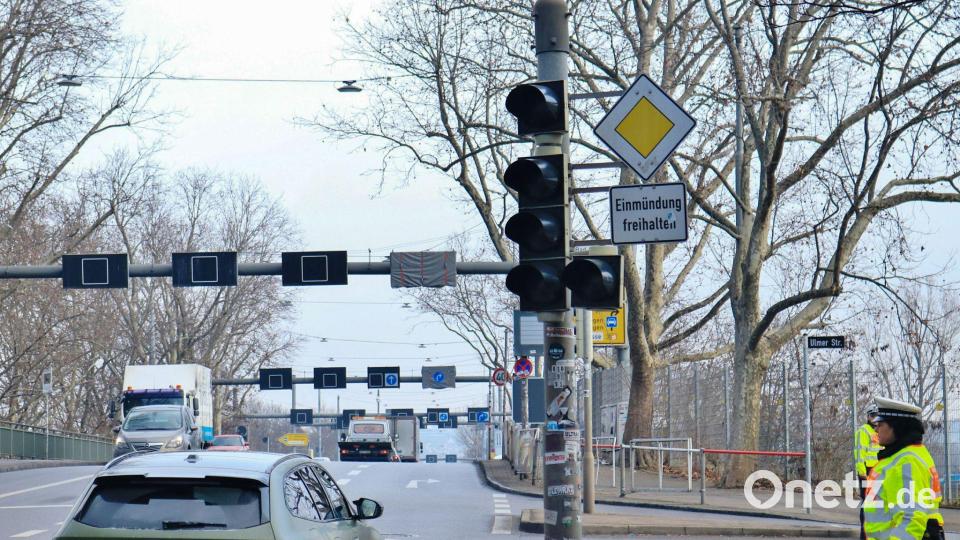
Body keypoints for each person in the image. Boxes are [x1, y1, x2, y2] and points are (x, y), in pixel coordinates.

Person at [863, 397, 944, 540]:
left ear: (896, 427)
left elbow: (911, 519)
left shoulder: (907, 462)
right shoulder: (905, 455)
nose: (876, 428)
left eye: (880, 424)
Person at [857, 404, 883, 539]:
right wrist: (862, 473)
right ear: (868, 416)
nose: (874, 419)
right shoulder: (864, 430)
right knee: (867, 504)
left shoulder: (880, 431)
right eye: (872, 415)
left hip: (878, 471)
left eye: (876, 416)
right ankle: (865, 534)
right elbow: (860, 452)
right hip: (867, 471)